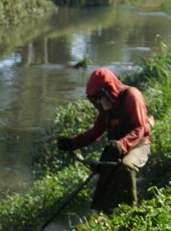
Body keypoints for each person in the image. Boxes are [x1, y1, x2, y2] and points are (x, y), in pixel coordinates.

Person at [56, 68, 152, 213]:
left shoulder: (132, 96)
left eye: (99, 97)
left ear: (108, 90)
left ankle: (131, 211)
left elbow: (140, 128)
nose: (97, 102)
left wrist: (122, 144)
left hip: (139, 146)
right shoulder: (107, 110)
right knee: (105, 177)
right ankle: (105, 213)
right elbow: (95, 133)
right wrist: (71, 143)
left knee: (126, 167)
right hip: (117, 149)